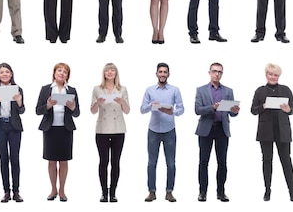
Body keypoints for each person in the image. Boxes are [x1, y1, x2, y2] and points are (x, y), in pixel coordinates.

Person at [194, 62, 240, 202]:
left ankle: (221, 192)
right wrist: (212, 107)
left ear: (222, 74)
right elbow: (197, 110)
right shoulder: (201, 90)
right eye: (214, 71)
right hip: (206, 129)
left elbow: (232, 113)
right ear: (209, 72)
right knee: (203, 162)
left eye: (220, 71)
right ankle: (202, 192)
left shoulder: (228, 91)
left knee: (222, 162)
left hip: (222, 129)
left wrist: (235, 111)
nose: (217, 74)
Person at [251, 63, 293, 202]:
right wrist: (263, 106)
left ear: (279, 76)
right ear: (266, 75)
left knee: (286, 161)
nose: (273, 77)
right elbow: (253, 110)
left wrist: (288, 109)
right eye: (271, 74)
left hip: (282, 131)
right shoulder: (260, 91)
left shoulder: (286, 89)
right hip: (266, 132)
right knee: (267, 161)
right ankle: (267, 190)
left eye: (275, 75)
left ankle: (292, 191)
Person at [36, 63, 80, 202]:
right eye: (59, 70)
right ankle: (53, 189)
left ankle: (62, 190)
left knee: (64, 161)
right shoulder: (46, 89)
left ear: (68, 75)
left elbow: (77, 113)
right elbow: (38, 110)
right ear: (54, 73)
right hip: (50, 129)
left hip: (65, 129)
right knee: (51, 160)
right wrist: (48, 105)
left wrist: (73, 108)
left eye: (65, 71)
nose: (62, 73)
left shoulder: (71, 90)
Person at [140, 62, 184, 203]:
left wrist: (173, 111)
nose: (163, 74)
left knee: (171, 163)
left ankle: (169, 192)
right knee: (152, 162)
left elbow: (181, 109)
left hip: (169, 130)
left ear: (168, 74)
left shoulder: (175, 90)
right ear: (156, 74)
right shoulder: (149, 90)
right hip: (153, 130)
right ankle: (151, 192)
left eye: (165, 72)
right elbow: (142, 109)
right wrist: (150, 106)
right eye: (160, 72)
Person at [91, 63, 130, 203]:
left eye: (112, 70)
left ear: (116, 73)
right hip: (102, 130)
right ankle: (103, 192)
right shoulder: (97, 89)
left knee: (115, 162)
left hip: (118, 129)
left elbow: (127, 110)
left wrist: (121, 102)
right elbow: (93, 110)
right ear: (104, 73)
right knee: (103, 161)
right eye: (107, 70)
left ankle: (113, 192)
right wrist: (98, 102)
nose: (110, 72)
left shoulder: (122, 89)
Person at [0, 63, 25, 203]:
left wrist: (19, 101)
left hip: (14, 126)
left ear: (11, 74)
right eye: (2, 72)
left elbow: (22, 111)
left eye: (7, 72)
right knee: (3, 159)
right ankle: (6, 191)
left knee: (15, 159)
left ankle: (16, 191)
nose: (4, 74)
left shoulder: (18, 89)